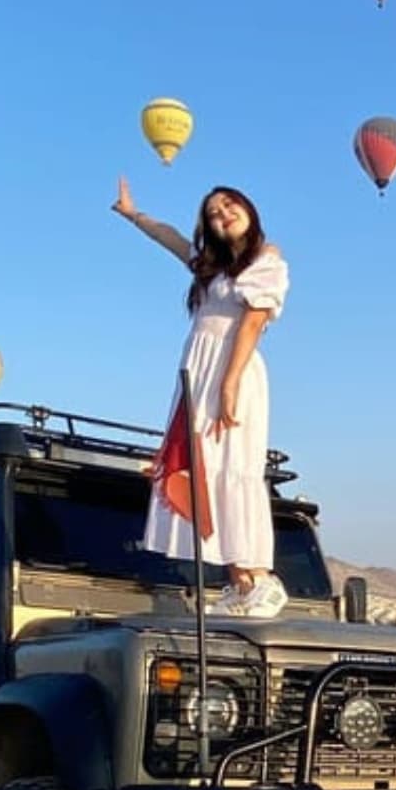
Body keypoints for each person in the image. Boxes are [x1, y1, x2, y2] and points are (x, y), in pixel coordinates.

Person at [114, 177, 292, 617]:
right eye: (213, 213)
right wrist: (133, 215)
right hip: (198, 373)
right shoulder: (211, 268)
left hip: (232, 369)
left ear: (249, 209)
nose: (223, 214)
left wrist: (229, 383)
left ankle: (262, 580)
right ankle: (241, 583)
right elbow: (172, 239)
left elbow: (252, 324)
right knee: (204, 468)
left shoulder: (266, 259)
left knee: (234, 464)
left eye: (230, 205)